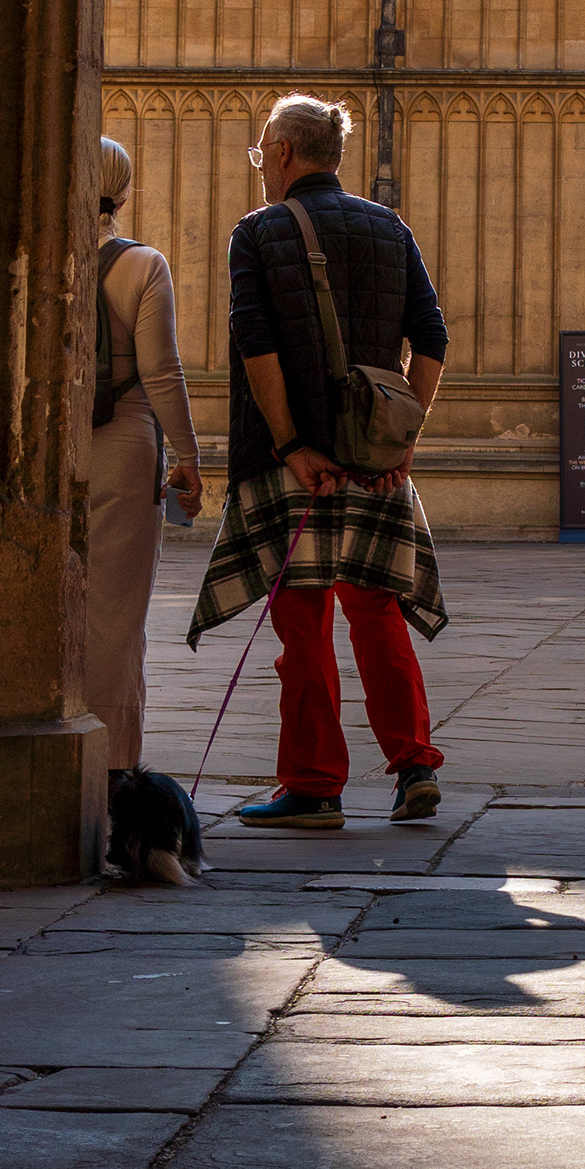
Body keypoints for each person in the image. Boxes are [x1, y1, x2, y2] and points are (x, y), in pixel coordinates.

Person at [185, 93, 449, 830]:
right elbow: (431, 337)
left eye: (260, 151)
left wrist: (291, 446)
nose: (259, 163)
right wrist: (403, 440)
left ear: (281, 152)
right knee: (377, 612)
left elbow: (257, 343)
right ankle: (414, 764)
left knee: (302, 626)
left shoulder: (259, 233)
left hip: (290, 463)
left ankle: (314, 785)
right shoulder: (390, 227)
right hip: (374, 458)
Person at [87, 136, 203, 781]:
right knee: (115, 613)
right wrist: (187, 456)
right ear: (123, 193)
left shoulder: (34, 257)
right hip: (123, 446)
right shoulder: (141, 265)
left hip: (45, 444)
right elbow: (161, 370)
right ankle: (113, 766)